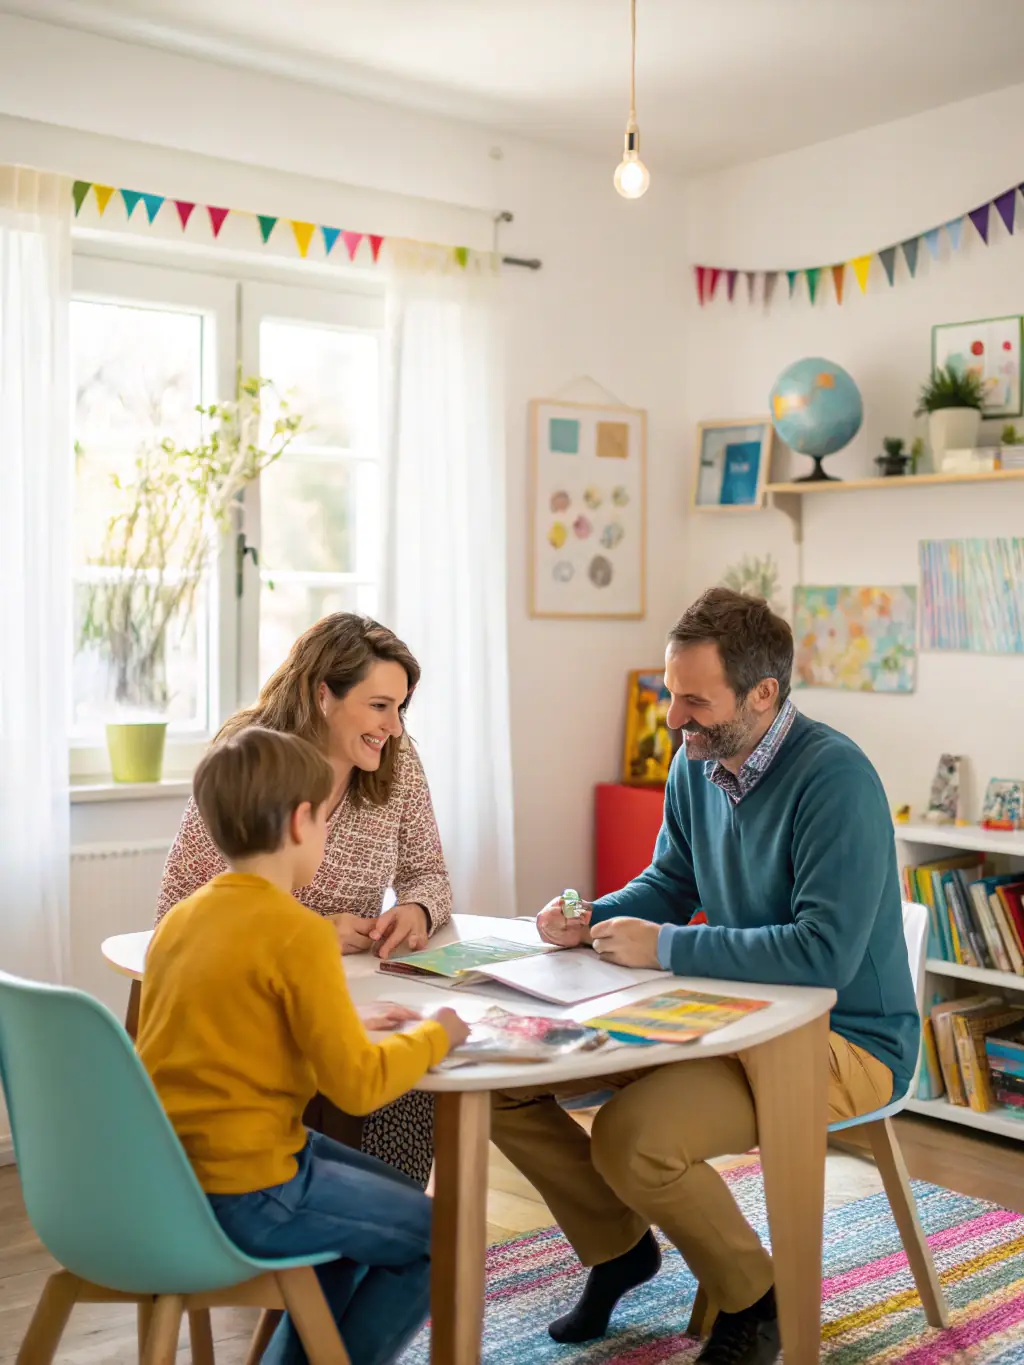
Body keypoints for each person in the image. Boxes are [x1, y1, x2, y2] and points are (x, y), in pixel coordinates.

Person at [491, 588, 919, 1365]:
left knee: (632, 1139)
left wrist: (666, 949)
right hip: (729, 1015)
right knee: (501, 1081)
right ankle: (617, 1247)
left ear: (763, 693)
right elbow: (670, 882)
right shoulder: (701, 761)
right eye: (668, 691)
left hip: (843, 1039)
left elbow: (822, 953)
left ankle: (760, 1297)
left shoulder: (837, 780)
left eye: (694, 699)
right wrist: (589, 916)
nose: (673, 716)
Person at [137, 727, 469, 1365]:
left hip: (175, 1175)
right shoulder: (300, 932)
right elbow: (359, 1085)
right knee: (444, 1235)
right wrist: (437, 1034)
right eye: (324, 821)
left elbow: (230, 1028)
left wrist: (343, 1020)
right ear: (300, 821)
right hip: (248, 1184)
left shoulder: (180, 921)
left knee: (372, 1208)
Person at [155, 614, 451, 1187]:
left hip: (355, 989)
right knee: (369, 1077)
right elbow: (177, 906)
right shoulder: (252, 759)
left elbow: (428, 873)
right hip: (262, 1008)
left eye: (400, 708)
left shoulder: (399, 761)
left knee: (402, 1068)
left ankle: (377, 1208)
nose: (393, 727)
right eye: (379, 706)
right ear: (324, 695)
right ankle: (342, 1219)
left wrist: (415, 910)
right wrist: (313, 929)